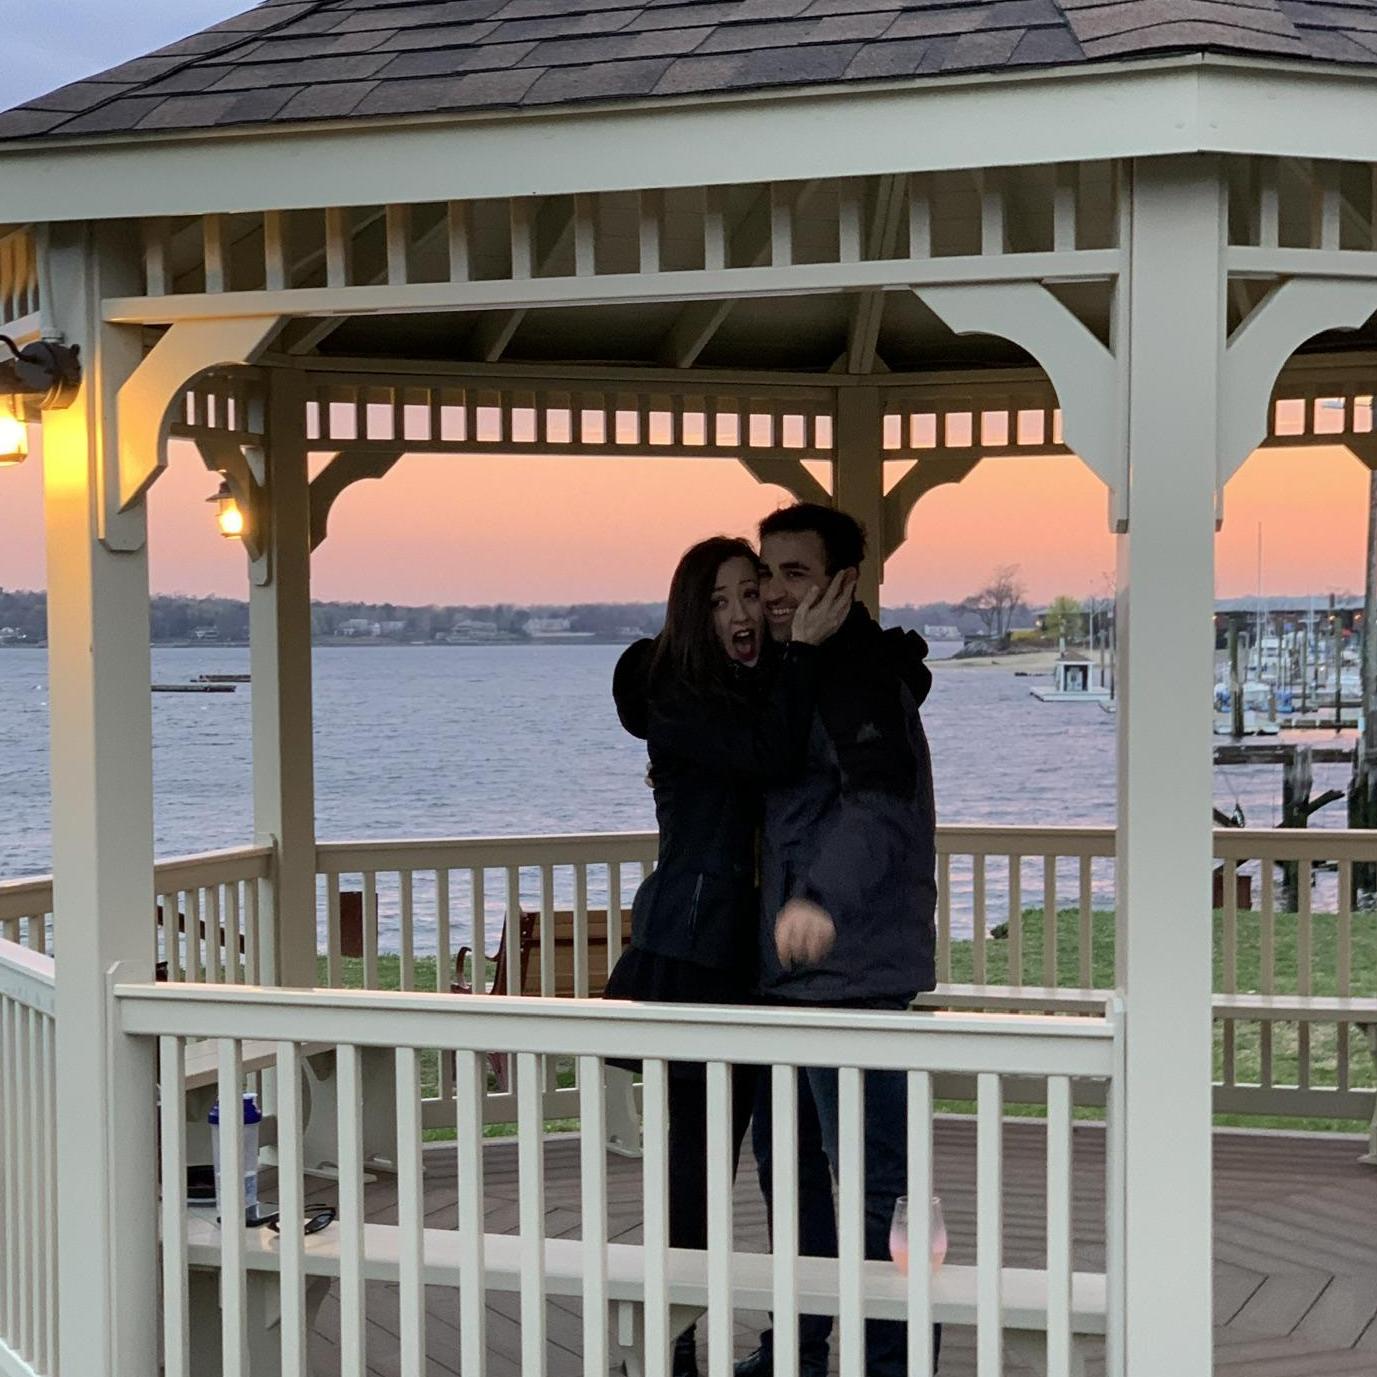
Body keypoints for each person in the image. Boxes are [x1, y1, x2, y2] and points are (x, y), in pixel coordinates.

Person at [606, 535, 851, 1377]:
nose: (742, 612)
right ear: (692, 613)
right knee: (698, 1168)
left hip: (769, 964)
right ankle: (671, 1347)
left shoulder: (765, 682)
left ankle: (798, 1346)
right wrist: (803, 654)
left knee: (792, 1164)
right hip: (695, 955)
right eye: (718, 600)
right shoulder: (674, 691)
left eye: (751, 592)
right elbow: (766, 754)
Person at [736, 503, 939, 1377]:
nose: (775, 591)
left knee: (875, 1190)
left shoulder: (855, 674)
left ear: (844, 582)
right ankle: (803, 1347)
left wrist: (819, 899)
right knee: (791, 1181)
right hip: (790, 978)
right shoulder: (801, 669)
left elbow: (880, 805)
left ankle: (891, 1361)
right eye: (766, 572)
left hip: (849, 972)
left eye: (796, 573)